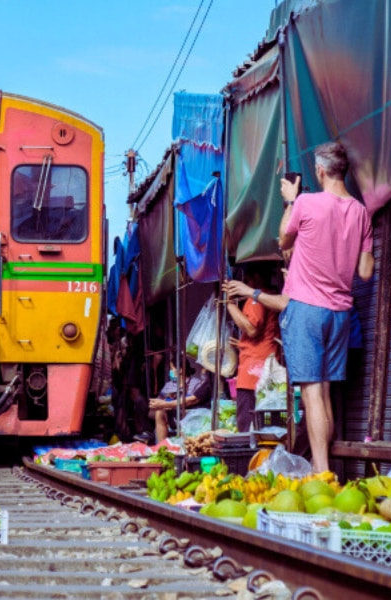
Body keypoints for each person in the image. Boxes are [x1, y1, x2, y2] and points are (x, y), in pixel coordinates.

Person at [277, 141, 374, 473]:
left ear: (320, 171)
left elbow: (283, 240)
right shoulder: (361, 212)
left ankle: (321, 472)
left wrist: (291, 201)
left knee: (312, 392)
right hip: (340, 312)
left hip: (306, 308)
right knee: (326, 392)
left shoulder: (306, 203)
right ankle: (327, 472)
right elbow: (365, 271)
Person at [223, 264, 281, 432]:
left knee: (247, 426)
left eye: (246, 280)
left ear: (256, 277)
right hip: (266, 367)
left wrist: (230, 304)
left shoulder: (256, 298)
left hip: (253, 372)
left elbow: (251, 329)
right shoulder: (271, 295)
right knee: (267, 427)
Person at [143, 360, 211, 443]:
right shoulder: (168, 386)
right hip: (173, 417)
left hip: (190, 416)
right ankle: (162, 445)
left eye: (171, 368)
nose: (170, 371)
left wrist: (167, 404)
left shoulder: (196, 383)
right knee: (159, 412)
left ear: (180, 370)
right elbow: (153, 410)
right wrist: (162, 406)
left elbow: (193, 401)